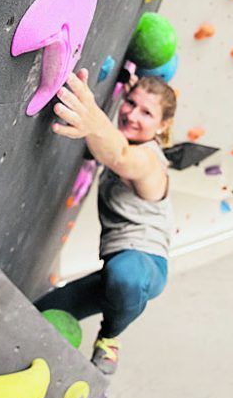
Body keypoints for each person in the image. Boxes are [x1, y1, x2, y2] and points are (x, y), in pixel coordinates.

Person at [35, 68, 177, 375]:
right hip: (114, 272)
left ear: (163, 125)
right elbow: (114, 144)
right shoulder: (125, 138)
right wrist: (130, 79)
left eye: (147, 113)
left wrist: (93, 120)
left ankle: (110, 338)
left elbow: (121, 157)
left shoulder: (150, 160)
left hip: (144, 266)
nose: (132, 115)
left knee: (124, 274)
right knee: (40, 315)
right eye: (130, 103)